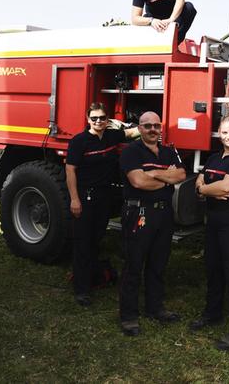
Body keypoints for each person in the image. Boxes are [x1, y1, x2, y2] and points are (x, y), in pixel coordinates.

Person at [190, 114, 229, 351]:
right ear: (219, 133)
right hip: (215, 219)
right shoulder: (214, 158)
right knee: (213, 269)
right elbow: (198, 183)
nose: (228, 137)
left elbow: (226, 187)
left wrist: (205, 189)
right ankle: (212, 314)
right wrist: (209, 191)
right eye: (224, 132)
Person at [118, 111, 186, 336]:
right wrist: (165, 176)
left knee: (158, 264)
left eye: (156, 126)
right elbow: (138, 181)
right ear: (139, 128)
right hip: (139, 213)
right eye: (147, 126)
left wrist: (153, 174)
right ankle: (128, 317)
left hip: (164, 215)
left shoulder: (168, 151)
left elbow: (180, 176)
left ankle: (155, 308)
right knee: (134, 264)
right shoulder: (131, 151)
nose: (152, 130)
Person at [65, 103, 139, 307]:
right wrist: (74, 199)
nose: (98, 121)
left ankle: (94, 277)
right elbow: (70, 171)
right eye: (94, 118)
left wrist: (152, 125)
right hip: (84, 198)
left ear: (108, 120)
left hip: (104, 198)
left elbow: (132, 133)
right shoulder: (79, 141)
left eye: (102, 118)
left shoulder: (110, 137)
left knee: (96, 239)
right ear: (88, 119)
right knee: (83, 242)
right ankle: (81, 290)